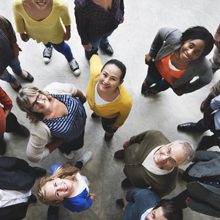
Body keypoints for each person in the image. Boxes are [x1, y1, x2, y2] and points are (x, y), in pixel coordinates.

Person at [16, 82, 87, 162]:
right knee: (77, 145)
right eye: (33, 104)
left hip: (82, 122)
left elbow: (73, 90)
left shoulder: (54, 88)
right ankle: (66, 151)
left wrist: (82, 98)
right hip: (71, 139)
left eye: (38, 96)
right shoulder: (39, 127)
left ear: (40, 92)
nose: (40, 102)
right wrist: (59, 142)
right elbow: (33, 156)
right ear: (30, 110)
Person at [114, 130, 194, 196]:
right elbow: (138, 138)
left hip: (136, 181)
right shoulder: (155, 135)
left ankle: (130, 181)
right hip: (130, 153)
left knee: (133, 181)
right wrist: (128, 144)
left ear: (177, 165)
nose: (162, 158)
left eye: (172, 160)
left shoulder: (167, 184)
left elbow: (152, 195)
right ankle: (124, 154)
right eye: (168, 150)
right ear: (169, 143)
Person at [13, 0, 81, 76]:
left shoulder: (60, 6)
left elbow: (66, 20)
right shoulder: (18, 5)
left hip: (55, 33)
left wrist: (68, 32)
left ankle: (70, 59)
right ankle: (48, 47)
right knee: (44, 42)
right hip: (36, 33)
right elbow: (18, 19)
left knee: (61, 47)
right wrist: (21, 33)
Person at [141, 26, 214, 96]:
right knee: (150, 78)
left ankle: (155, 89)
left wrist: (186, 89)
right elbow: (161, 32)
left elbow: (206, 79)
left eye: (197, 52)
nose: (189, 52)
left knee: (163, 86)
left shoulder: (203, 65)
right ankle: (147, 84)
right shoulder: (174, 37)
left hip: (172, 81)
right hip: (156, 68)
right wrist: (152, 53)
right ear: (186, 40)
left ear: (201, 56)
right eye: (191, 46)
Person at [86, 54, 132, 141]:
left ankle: (109, 134)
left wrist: (116, 125)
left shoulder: (125, 101)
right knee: (97, 111)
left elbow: (123, 116)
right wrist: (92, 53)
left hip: (109, 118)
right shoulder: (94, 73)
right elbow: (94, 58)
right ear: (100, 72)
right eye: (105, 74)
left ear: (120, 82)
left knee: (109, 128)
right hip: (95, 107)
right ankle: (97, 113)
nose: (106, 81)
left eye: (113, 79)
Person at [172, 150, 220, 217]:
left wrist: (194, 205)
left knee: (175, 204)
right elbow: (210, 155)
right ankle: (184, 175)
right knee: (189, 174)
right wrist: (191, 156)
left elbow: (214, 212)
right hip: (200, 171)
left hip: (200, 194)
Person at [177, 80, 220, 150]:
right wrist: (208, 112)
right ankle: (197, 128)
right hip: (216, 120)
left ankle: (201, 150)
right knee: (204, 123)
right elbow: (216, 102)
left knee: (211, 141)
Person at [0, 15, 33, 91]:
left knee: (16, 64)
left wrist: (14, 45)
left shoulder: (1, 20)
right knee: (3, 75)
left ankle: (19, 72)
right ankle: (11, 80)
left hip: (10, 51)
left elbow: (9, 29)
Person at [116, 188, 183, 220]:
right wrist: (126, 202)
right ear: (156, 206)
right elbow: (131, 193)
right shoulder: (144, 196)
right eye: (153, 215)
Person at [0, 87, 29, 155]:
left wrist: (3, 118)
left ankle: (17, 129)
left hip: (6, 119)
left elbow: (7, 102)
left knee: (12, 124)